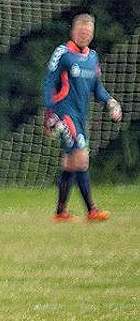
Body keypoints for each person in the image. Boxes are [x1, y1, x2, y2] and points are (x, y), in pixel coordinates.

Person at [42, 13, 122, 222]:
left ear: (92, 34)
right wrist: (49, 112)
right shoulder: (63, 53)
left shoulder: (92, 57)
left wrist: (110, 102)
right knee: (81, 156)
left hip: (80, 116)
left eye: (88, 32)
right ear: (73, 31)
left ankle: (60, 212)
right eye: (81, 31)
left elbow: (97, 88)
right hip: (64, 114)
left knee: (70, 163)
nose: (84, 35)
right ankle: (92, 210)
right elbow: (49, 82)